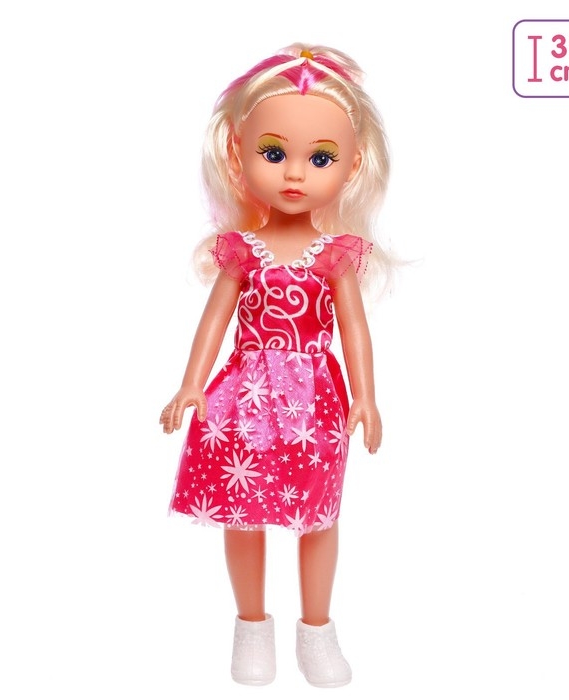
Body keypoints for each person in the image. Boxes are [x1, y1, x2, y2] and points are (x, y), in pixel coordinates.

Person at [159, 43, 397, 688]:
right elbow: (215, 319)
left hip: (315, 399)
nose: (295, 174)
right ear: (237, 153)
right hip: (244, 396)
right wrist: (191, 384)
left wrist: (366, 396)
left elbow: (354, 327)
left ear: (352, 165)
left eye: (320, 158)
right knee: (243, 511)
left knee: (317, 513)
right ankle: (251, 629)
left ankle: (317, 632)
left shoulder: (337, 253)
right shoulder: (242, 249)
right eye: (273, 152)